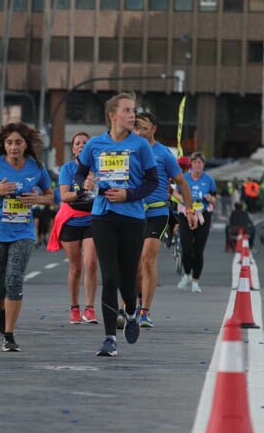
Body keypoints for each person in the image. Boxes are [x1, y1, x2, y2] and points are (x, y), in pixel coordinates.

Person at [75, 93, 175, 357]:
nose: (132, 115)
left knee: (128, 279)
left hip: (132, 218)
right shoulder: (95, 144)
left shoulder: (140, 146)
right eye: (128, 111)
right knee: (109, 278)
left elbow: (154, 182)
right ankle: (109, 338)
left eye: (134, 111)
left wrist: (129, 195)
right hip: (102, 216)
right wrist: (84, 184)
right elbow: (79, 173)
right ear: (112, 115)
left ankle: (131, 310)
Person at [0, 123, 53, 352]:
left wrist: (38, 200)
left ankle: (9, 334)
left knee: (14, 279)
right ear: (3, 145)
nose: (13, 147)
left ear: (26, 144)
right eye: (9, 143)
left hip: (23, 232)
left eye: (18, 142)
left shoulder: (36, 167)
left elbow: (51, 195)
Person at [133, 112, 193, 329]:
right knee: (133, 264)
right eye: (136, 127)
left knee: (147, 258)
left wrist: (190, 210)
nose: (140, 131)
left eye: (144, 127)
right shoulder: (129, 150)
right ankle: (132, 305)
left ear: (154, 128)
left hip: (158, 212)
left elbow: (181, 183)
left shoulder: (163, 154)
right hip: (133, 212)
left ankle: (145, 312)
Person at [51, 132, 99, 325]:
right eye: (77, 143)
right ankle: (74, 308)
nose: (81, 145)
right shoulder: (68, 169)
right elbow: (64, 196)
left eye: (85, 143)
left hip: (92, 219)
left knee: (91, 263)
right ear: (73, 149)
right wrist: (82, 190)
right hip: (70, 219)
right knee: (76, 267)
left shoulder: (97, 168)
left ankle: (90, 308)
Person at [177, 152, 216, 293]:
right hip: (186, 213)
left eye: (199, 162)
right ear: (191, 165)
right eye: (194, 163)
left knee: (198, 249)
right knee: (187, 248)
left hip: (202, 215)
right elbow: (175, 192)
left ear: (203, 165)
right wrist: (183, 199)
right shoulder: (185, 178)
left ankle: (195, 281)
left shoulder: (209, 180)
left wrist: (210, 199)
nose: (197, 165)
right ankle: (187, 273)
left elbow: (214, 198)